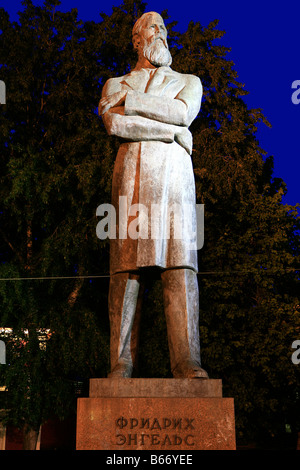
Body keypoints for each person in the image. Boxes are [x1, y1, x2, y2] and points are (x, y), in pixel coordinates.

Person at [98, 11, 208, 379]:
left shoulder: (188, 81)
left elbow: (182, 112)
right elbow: (114, 123)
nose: (160, 33)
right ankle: (121, 362)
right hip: (131, 178)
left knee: (180, 266)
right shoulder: (116, 82)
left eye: (163, 28)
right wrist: (171, 132)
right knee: (126, 270)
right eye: (152, 27)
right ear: (136, 38)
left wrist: (133, 104)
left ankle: (187, 361)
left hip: (175, 182)